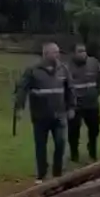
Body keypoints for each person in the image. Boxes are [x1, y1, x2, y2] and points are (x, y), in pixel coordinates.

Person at [15, 42, 76, 183]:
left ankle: (58, 173)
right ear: (45, 54)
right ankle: (41, 174)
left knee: (61, 143)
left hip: (60, 115)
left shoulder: (63, 69)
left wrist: (71, 107)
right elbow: (22, 89)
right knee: (40, 145)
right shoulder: (33, 70)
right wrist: (20, 108)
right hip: (40, 116)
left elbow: (70, 89)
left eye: (58, 52)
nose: (57, 55)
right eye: (54, 52)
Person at [67, 43, 100, 164]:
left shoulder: (94, 62)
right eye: (79, 51)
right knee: (73, 131)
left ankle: (92, 152)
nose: (83, 53)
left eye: (84, 51)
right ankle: (74, 154)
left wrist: (97, 92)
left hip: (92, 104)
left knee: (94, 129)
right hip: (75, 105)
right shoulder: (67, 67)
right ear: (74, 53)